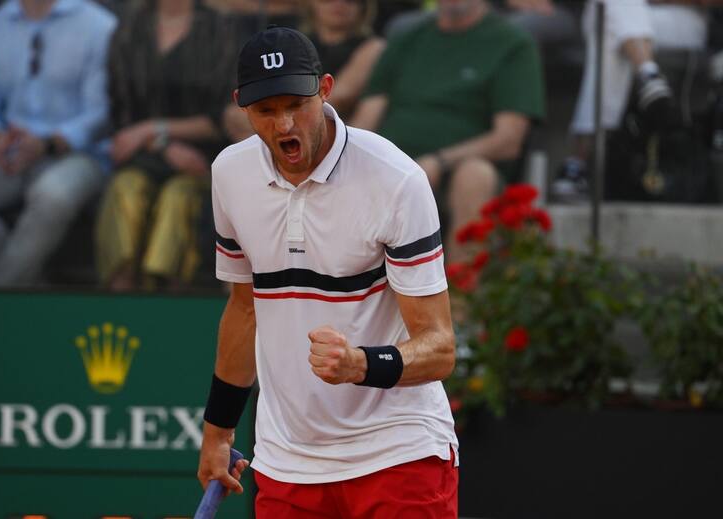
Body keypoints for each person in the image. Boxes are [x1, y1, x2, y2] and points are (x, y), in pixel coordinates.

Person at [198, 26, 459, 518]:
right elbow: (244, 309)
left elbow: (440, 348)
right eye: (266, 111)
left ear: (326, 89)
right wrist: (218, 433)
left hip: (399, 454)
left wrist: (361, 363)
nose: (284, 125)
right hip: (286, 463)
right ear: (241, 106)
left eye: (297, 103)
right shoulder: (229, 174)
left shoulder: (397, 181)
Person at [351, 0, 545, 261]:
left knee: (475, 175)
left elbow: (509, 139)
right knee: (345, 164)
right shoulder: (406, 39)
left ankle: (460, 295)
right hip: (394, 163)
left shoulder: (512, 43)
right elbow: (366, 119)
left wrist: (438, 162)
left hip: (458, 168)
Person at [0, 0, 116, 286]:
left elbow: (101, 114)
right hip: (7, 152)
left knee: (52, 195)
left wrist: (49, 143)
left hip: (77, 154)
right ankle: (31, 285)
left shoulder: (100, 27)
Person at [96, 0, 240, 291]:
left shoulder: (219, 30)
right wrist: (161, 144)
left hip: (202, 157)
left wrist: (155, 130)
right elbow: (119, 113)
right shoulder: (129, 29)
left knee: (179, 197)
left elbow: (227, 116)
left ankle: (170, 304)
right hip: (141, 155)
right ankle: (117, 297)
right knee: (124, 189)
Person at [552, 0, 710, 200]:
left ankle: (580, 160)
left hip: (680, 18)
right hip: (619, 15)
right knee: (609, 15)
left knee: (611, 24)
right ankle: (648, 75)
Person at [223, 0, 385, 142]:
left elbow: (339, 97)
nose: (339, 4)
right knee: (235, 115)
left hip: (339, 125)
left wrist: (269, 113)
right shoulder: (293, 41)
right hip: (289, 112)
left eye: (351, 0)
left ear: (363, 7)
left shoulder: (372, 46)